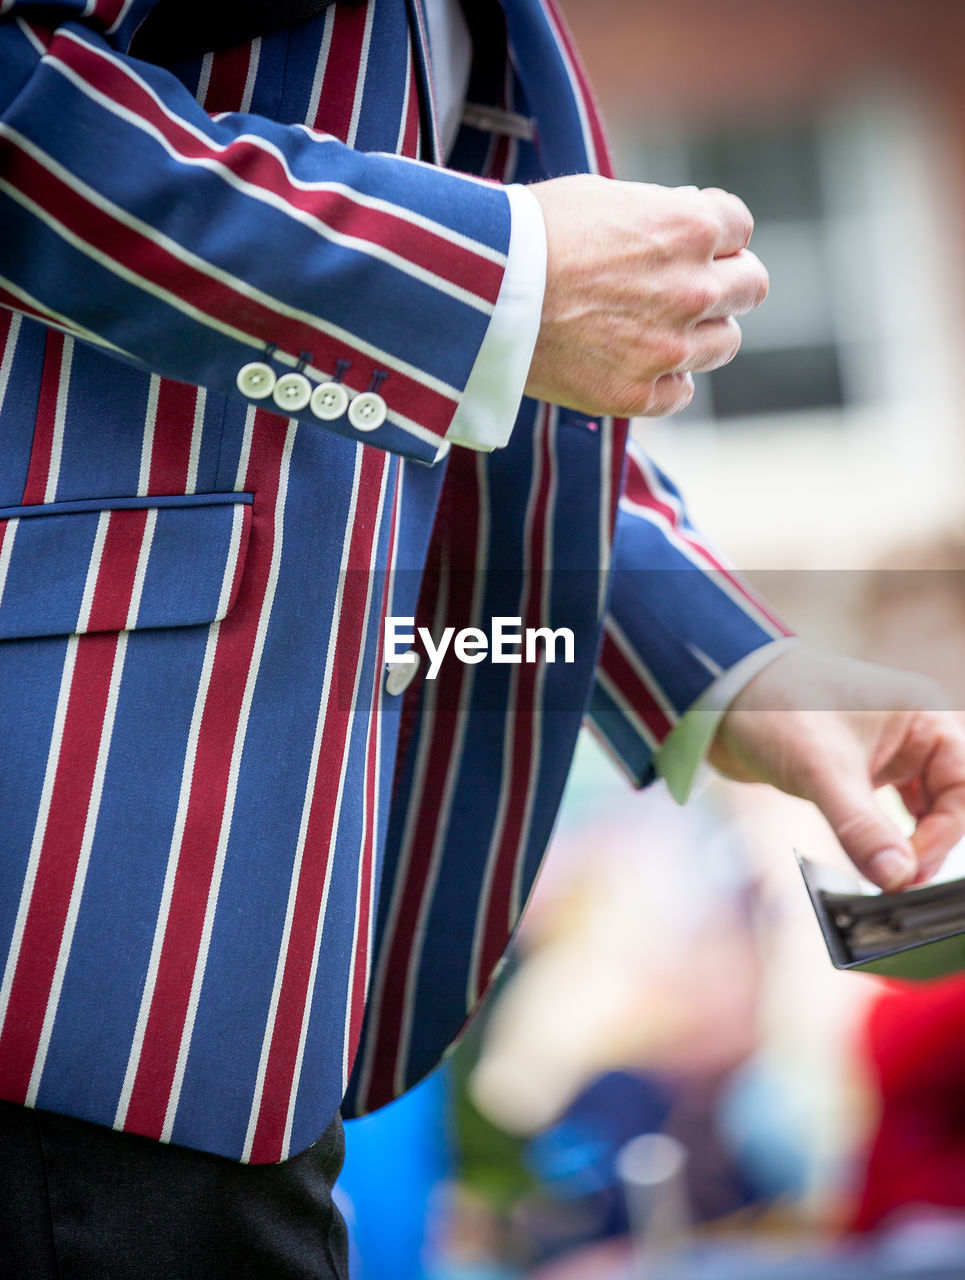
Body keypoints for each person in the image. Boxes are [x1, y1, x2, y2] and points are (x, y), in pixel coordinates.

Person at [0, 0, 964, 1275]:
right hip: (82, 875)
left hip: (263, 957)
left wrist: (742, 671)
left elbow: (450, 430)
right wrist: (485, 276)